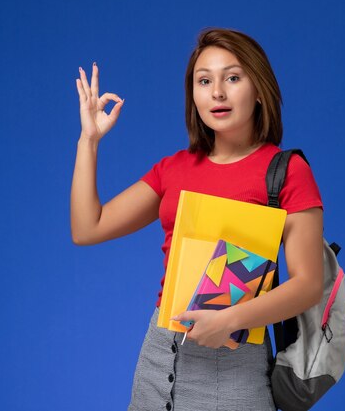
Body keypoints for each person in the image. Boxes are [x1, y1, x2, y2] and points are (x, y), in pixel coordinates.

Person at [71, 28, 325, 411]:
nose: (217, 92)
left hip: (234, 362)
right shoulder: (174, 168)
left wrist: (230, 319)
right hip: (160, 356)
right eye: (204, 80)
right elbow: (87, 228)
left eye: (233, 78)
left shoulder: (286, 171)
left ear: (259, 90)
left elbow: (308, 285)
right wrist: (88, 141)